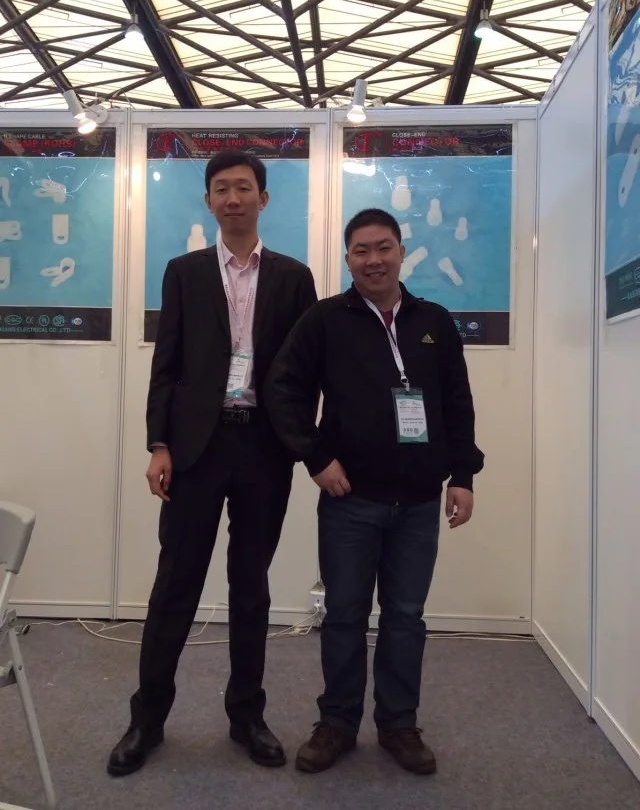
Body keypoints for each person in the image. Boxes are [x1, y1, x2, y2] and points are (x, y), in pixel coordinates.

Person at [107, 151, 317, 776]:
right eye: (222, 188)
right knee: (175, 585)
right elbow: (166, 364)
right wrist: (158, 444)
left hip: (262, 449)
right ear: (208, 201)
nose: (233, 198)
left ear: (263, 199)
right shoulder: (184, 272)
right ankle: (147, 720)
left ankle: (247, 717)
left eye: (244, 187)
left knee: (251, 587)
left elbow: (303, 374)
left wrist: (299, 443)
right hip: (195, 449)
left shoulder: (294, 277)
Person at [263, 207, 484, 776]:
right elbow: (282, 389)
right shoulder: (324, 321)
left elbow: (457, 402)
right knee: (343, 615)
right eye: (361, 250)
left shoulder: (434, 321)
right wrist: (315, 456)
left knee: (406, 617)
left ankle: (399, 725)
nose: (374, 259)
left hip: (418, 502)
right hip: (350, 501)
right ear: (348, 259)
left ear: (401, 252)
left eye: (383, 247)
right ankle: (337, 723)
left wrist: (463, 475)